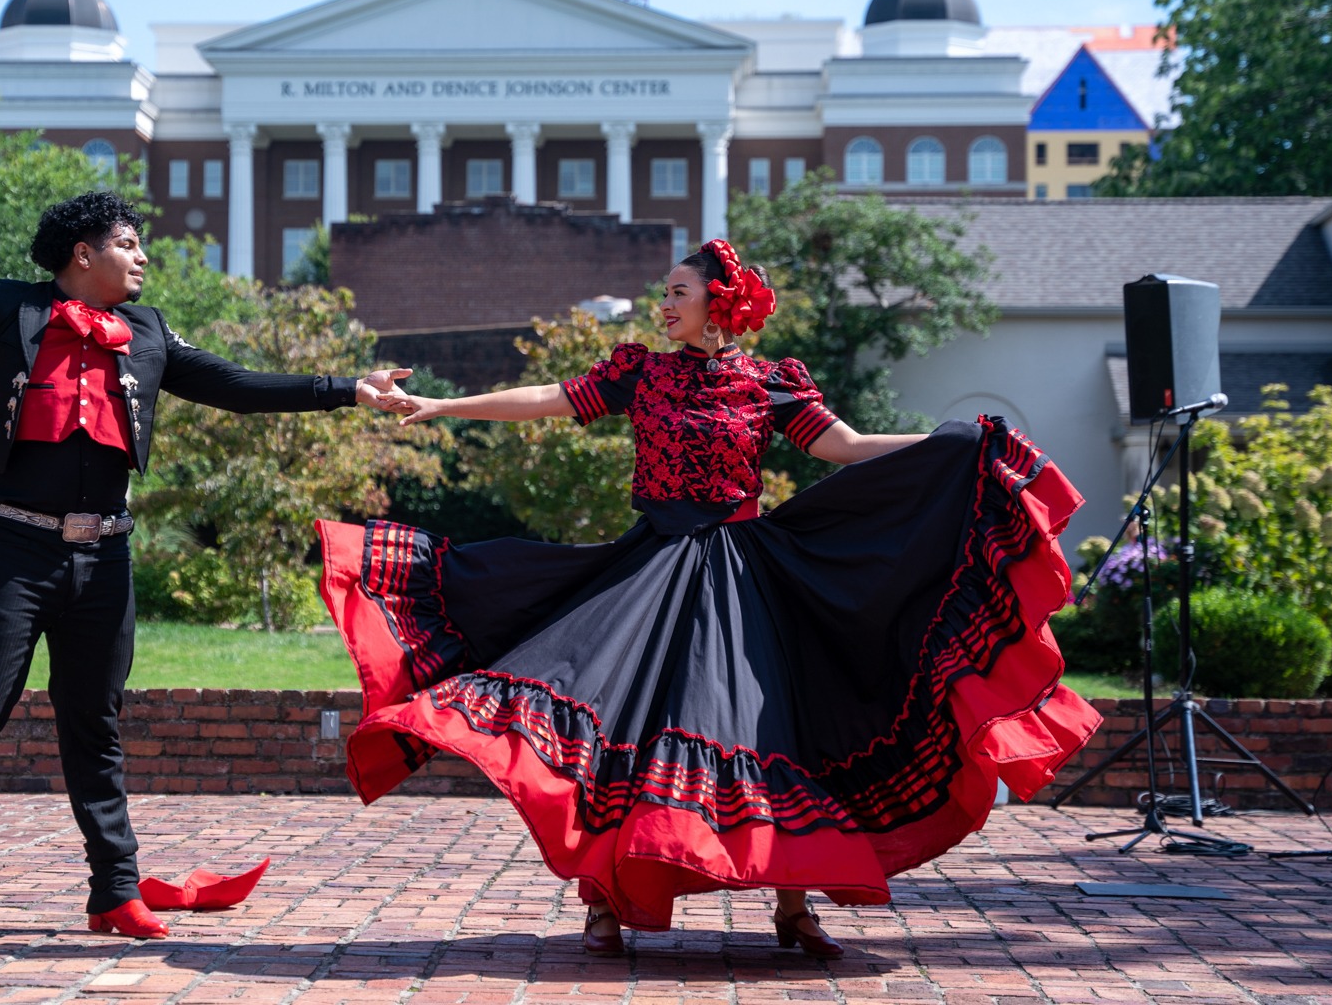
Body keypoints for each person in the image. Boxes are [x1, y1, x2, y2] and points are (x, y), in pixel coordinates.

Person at [320, 240, 1102, 958]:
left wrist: (957, 446)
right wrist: (445, 407)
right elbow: (550, 398)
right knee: (619, 720)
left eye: (677, 292)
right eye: (663, 293)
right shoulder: (641, 372)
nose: (663, 306)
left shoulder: (768, 381)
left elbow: (848, 448)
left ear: (718, 302)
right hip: (650, 568)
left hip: (742, 573)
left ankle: (793, 907)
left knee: (776, 730)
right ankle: (602, 902)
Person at [0, 191, 410, 947]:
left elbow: (234, 385)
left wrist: (346, 390)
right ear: (83, 254)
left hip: (107, 557)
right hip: (16, 550)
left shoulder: (150, 331)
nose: (143, 257)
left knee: (95, 723)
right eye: (128, 243)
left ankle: (114, 893)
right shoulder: (6, 308)